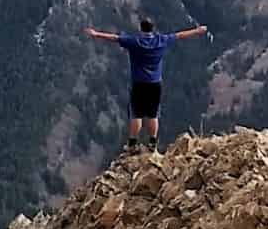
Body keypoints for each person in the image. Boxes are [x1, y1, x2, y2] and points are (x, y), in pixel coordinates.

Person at [85, 15, 209, 154]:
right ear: (153, 29)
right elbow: (180, 35)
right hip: (155, 83)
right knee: (152, 114)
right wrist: (197, 31)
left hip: (139, 83)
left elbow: (115, 38)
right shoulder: (161, 40)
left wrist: (96, 34)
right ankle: (152, 143)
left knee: (136, 115)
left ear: (141, 28)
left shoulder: (135, 42)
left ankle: (132, 144)